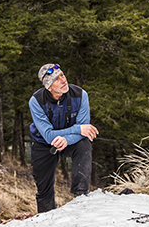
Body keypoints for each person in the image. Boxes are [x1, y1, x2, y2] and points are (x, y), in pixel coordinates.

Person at [28, 64, 97, 214]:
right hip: (43, 143)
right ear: (49, 87)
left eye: (62, 75)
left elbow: (85, 132)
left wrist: (68, 140)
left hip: (71, 140)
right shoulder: (36, 101)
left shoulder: (80, 94)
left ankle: (80, 196)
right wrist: (77, 129)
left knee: (84, 144)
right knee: (44, 190)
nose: (63, 79)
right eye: (56, 79)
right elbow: (48, 135)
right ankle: (46, 220)